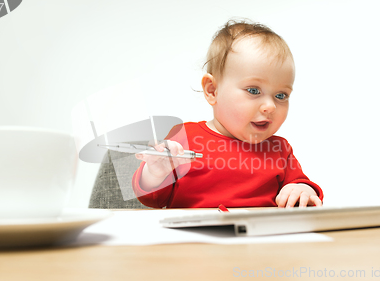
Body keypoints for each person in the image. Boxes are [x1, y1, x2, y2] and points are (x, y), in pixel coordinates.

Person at [132, 19, 323, 208]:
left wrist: (302, 189)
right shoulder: (184, 138)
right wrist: (156, 173)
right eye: (254, 90)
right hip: (195, 237)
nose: (270, 106)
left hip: (260, 237)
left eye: (281, 95)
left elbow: (302, 186)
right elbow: (152, 199)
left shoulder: (280, 150)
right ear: (213, 90)